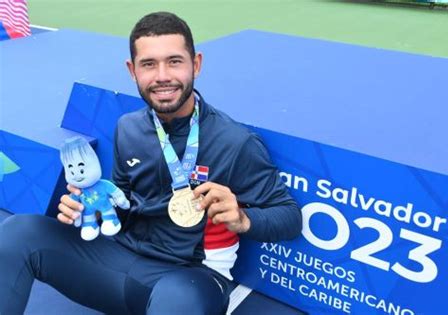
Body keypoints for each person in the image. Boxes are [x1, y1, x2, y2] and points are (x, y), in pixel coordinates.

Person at [0, 12, 302, 315]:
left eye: (174, 61)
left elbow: (289, 217)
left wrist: (243, 219)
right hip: (116, 260)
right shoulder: (127, 128)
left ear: (195, 64)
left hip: (188, 277)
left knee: (179, 303)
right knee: (19, 231)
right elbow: (126, 206)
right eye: (148, 64)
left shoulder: (235, 142)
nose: (162, 76)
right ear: (132, 71)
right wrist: (92, 207)